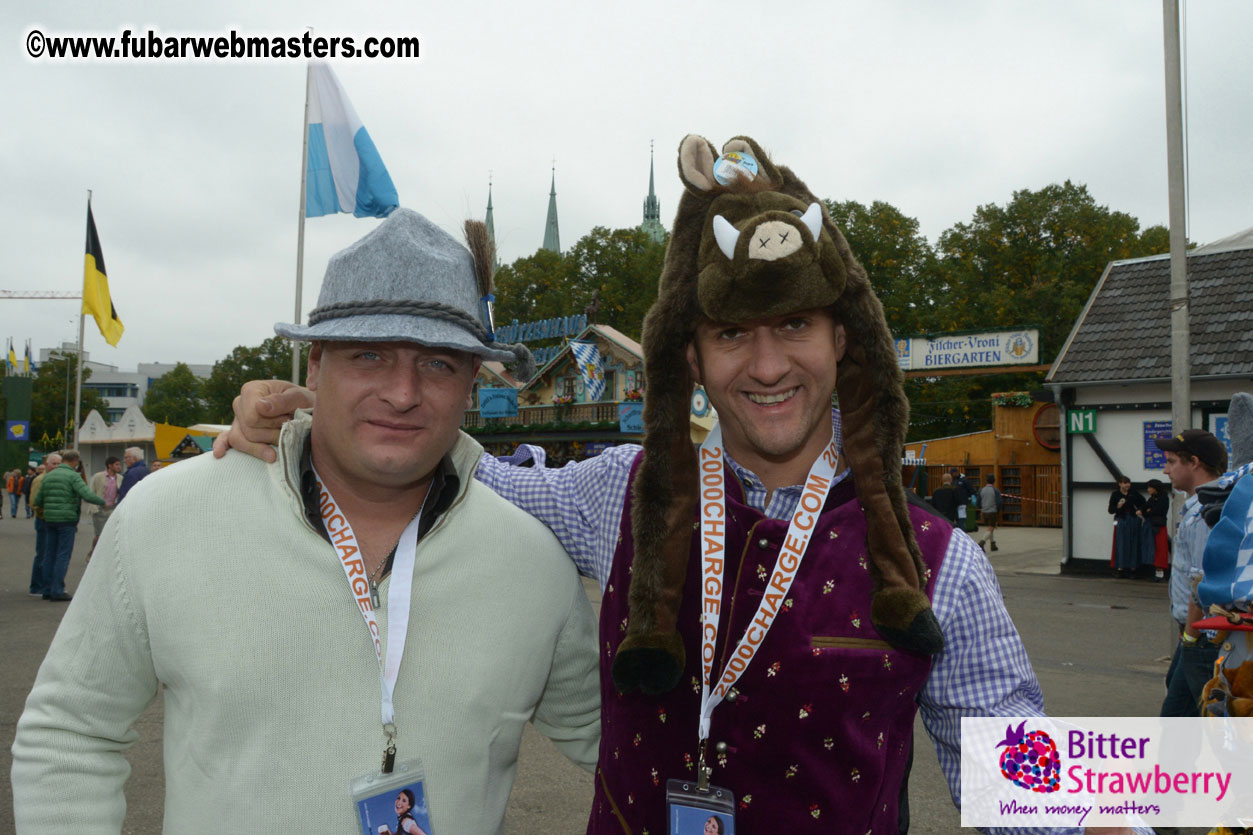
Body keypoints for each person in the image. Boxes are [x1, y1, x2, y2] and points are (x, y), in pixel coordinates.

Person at [218, 137, 1132, 835]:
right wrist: (308, 420)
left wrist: (1201, 773)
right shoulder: (620, 492)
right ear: (690, 354)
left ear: (842, 337)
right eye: (733, 334)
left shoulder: (943, 565)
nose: (767, 364)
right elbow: (442, 462)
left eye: (795, 324)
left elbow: (1031, 790)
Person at [12, 209, 600, 832]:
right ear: (315, 365)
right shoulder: (168, 518)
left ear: (472, 383)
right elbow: (70, 734)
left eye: (438, 363)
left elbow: (625, 746)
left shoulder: (534, 562)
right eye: (370, 355)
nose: (402, 392)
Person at [1155, 428, 1227, 717]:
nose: (1165, 469)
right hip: (1199, 635)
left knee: (1212, 720)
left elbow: (1201, 582)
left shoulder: (1202, 515)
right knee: (1179, 713)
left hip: (1202, 636)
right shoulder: (1208, 507)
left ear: (1194, 462)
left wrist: (1189, 637)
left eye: (1172, 462)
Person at [29, 450, 103, 601]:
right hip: (66, 521)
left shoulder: (48, 476)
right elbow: (87, 495)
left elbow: (38, 500)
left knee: (49, 554)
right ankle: (57, 589)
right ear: (75, 462)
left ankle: (47, 589)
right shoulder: (73, 476)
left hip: (50, 520)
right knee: (63, 555)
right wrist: (104, 502)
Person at [26, 458, 56, 597]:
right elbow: (33, 502)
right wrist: (44, 512)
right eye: (53, 463)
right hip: (43, 520)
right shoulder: (40, 480)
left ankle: (47, 584)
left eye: (58, 464)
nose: (56, 466)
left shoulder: (54, 478)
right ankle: (36, 585)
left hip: (52, 520)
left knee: (50, 553)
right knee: (43, 553)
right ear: (46, 465)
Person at [1107, 476, 1145, 577]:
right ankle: (1120, 567)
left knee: (1134, 542)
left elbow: (1143, 503)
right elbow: (1110, 510)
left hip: (1133, 519)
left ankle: (1133, 568)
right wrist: (1117, 507)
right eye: (1124, 483)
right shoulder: (1115, 494)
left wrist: (1139, 510)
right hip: (1121, 519)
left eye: (1128, 483)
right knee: (1121, 542)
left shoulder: (1134, 493)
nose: (1127, 485)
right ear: (1119, 484)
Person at [87, 456, 123, 558]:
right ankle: (93, 553)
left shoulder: (120, 478)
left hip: (113, 509)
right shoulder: (98, 476)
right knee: (99, 535)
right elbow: (91, 492)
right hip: (100, 509)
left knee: (110, 534)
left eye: (119, 464)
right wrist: (94, 508)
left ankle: (105, 556)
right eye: (116, 464)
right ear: (109, 465)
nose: (119, 466)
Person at [1138, 478, 1170, 581]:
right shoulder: (1152, 498)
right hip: (1152, 524)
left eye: (1150, 487)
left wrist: (1147, 512)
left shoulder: (1164, 498)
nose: (1148, 489)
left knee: (1160, 549)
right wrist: (1147, 511)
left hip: (1158, 526)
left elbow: (1156, 511)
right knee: (1153, 549)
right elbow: (1144, 508)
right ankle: (1157, 572)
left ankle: (1160, 574)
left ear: (1155, 488)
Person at [978, 473, 1003, 552]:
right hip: (992, 511)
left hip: (984, 511)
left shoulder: (981, 490)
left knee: (990, 527)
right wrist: (998, 510)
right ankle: (982, 542)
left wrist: (982, 508)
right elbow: (999, 502)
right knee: (991, 528)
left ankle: (993, 544)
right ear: (994, 481)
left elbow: (978, 502)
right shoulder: (995, 491)